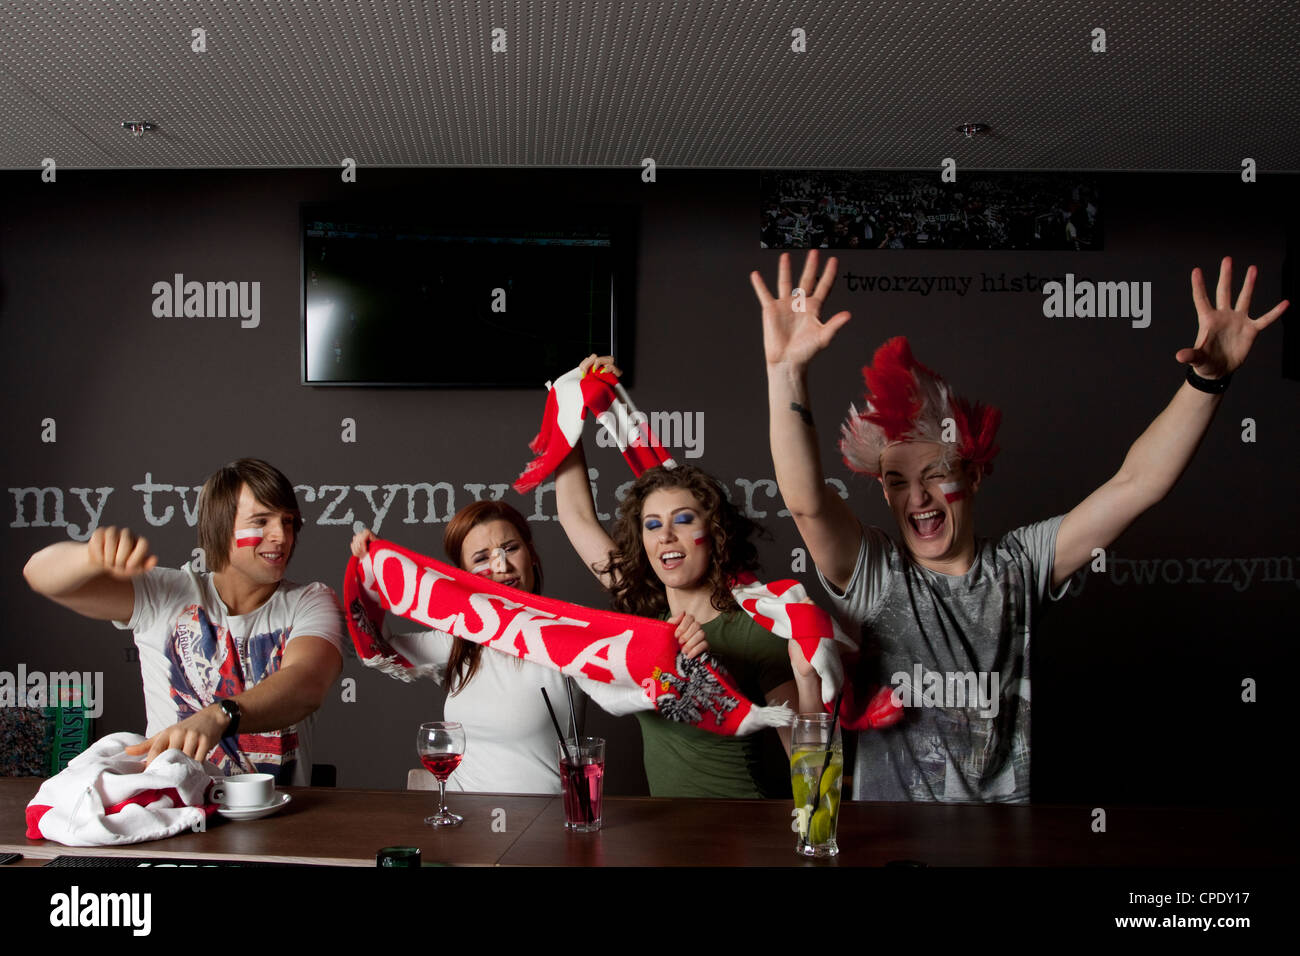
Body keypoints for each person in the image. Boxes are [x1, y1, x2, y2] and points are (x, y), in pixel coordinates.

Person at [752, 250, 1287, 803]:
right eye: (896, 480)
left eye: (936, 473)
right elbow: (808, 504)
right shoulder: (876, 574)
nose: (918, 497)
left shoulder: (1021, 563)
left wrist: (1207, 383)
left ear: (974, 473)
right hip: (889, 845)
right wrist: (785, 371)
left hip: (1001, 845)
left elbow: (1137, 484)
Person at [555, 355, 821, 798]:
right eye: (653, 525)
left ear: (713, 533)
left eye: (683, 520)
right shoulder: (646, 611)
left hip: (738, 833)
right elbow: (577, 518)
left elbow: (805, 763)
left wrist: (807, 678)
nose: (666, 536)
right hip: (666, 837)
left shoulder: (755, 627)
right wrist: (569, 400)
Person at [350, 499, 708, 794]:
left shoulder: (568, 632)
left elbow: (620, 694)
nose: (501, 565)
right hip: (463, 833)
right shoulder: (457, 640)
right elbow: (377, 646)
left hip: (546, 832)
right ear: (461, 575)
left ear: (531, 554)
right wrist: (372, 571)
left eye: (510, 548)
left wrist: (672, 655)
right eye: (481, 558)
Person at [22, 458, 345, 786]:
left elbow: (307, 683)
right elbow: (39, 574)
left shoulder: (312, 601)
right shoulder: (163, 593)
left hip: (278, 820)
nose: (281, 535)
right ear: (222, 527)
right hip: (173, 813)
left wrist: (220, 715)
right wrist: (89, 558)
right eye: (261, 521)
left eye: (288, 522)